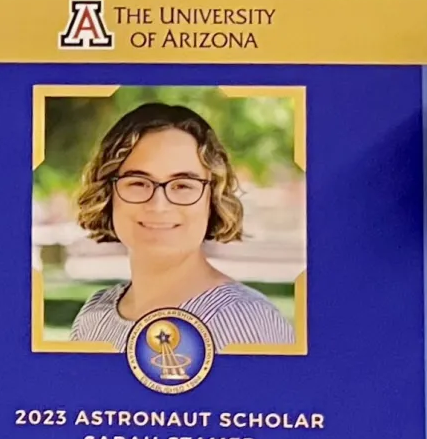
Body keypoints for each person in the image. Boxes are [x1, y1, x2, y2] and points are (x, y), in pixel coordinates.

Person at [69, 101, 295, 352]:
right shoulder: (93, 320)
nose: (158, 205)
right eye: (138, 182)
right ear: (108, 194)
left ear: (213, 199)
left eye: (183, 185)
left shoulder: (248, 325)